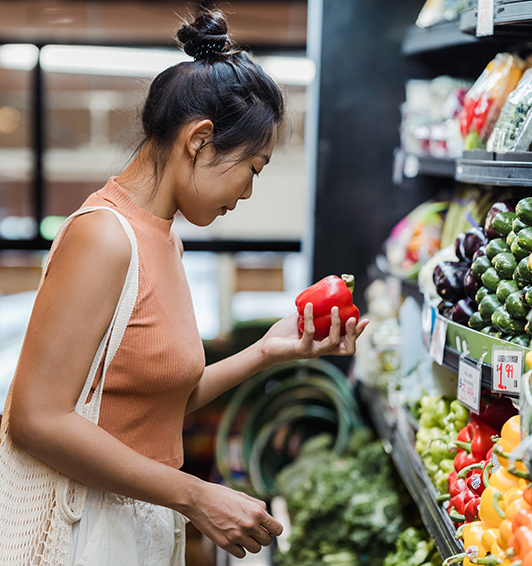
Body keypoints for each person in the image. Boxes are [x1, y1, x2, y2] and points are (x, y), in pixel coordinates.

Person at [7, 8, 368, 565]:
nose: (248, 191)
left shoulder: (164, 238)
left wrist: (267, 353)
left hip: (143, 513)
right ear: (199, 140)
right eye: (254, 166)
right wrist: (196, 496)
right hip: (84, 526)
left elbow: (153, 400)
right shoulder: (105, 236)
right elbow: (36, 418)